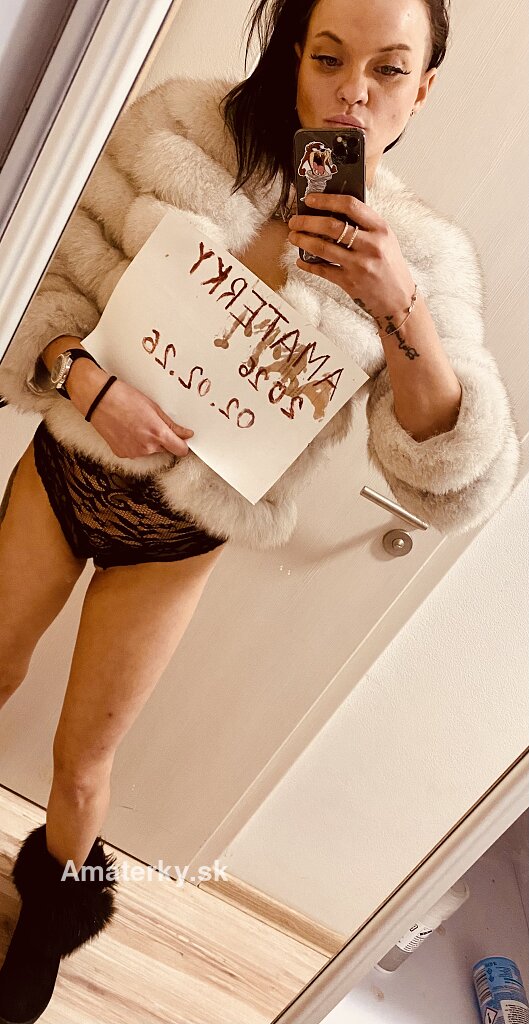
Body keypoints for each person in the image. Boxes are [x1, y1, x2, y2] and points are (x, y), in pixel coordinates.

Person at [0, 0, 520, 1019]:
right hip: (66, 470)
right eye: (328, 57)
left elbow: (449, 468)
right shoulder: (178, 130)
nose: (352, 93)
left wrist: (397, 304)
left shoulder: (421, 258)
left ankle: (46, 925)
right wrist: (84, 381)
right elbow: (43, 277)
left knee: (83, 765)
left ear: (422, 89)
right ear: (294, 56)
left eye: (387, 69)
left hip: (176, 539)